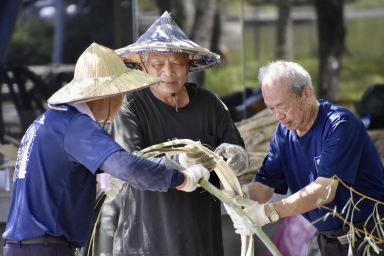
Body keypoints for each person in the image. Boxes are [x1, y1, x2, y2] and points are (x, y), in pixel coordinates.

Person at [1, 43, 211, 256]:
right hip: (44, 248)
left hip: (24, 246)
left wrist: (175, 160)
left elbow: (118, 164)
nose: (121, 102)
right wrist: (181, 178)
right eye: (121, 93)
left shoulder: (48, 121)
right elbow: (126, 166)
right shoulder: (76, 125)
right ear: (106, 94)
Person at [101, 11, 249, 256]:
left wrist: (233, 156)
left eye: (177, 64)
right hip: (146, 244)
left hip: (202, 241)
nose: (168, 73)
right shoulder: (130, 108)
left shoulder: (209, 104)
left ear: (189, 63)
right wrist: (180, 161)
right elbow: (131, 166)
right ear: (142, 64)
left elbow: (241, 157)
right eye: (158, 64)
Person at [224, 61, 384, 256]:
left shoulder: (339, 124)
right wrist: (240, 199)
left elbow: (324, 191)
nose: (278, 116)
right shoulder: (283, 134)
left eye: (282, 107)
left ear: (306, 93)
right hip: (326, 239)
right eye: (271, 109)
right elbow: (265, 185)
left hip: (368, 237)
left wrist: (267, 213)